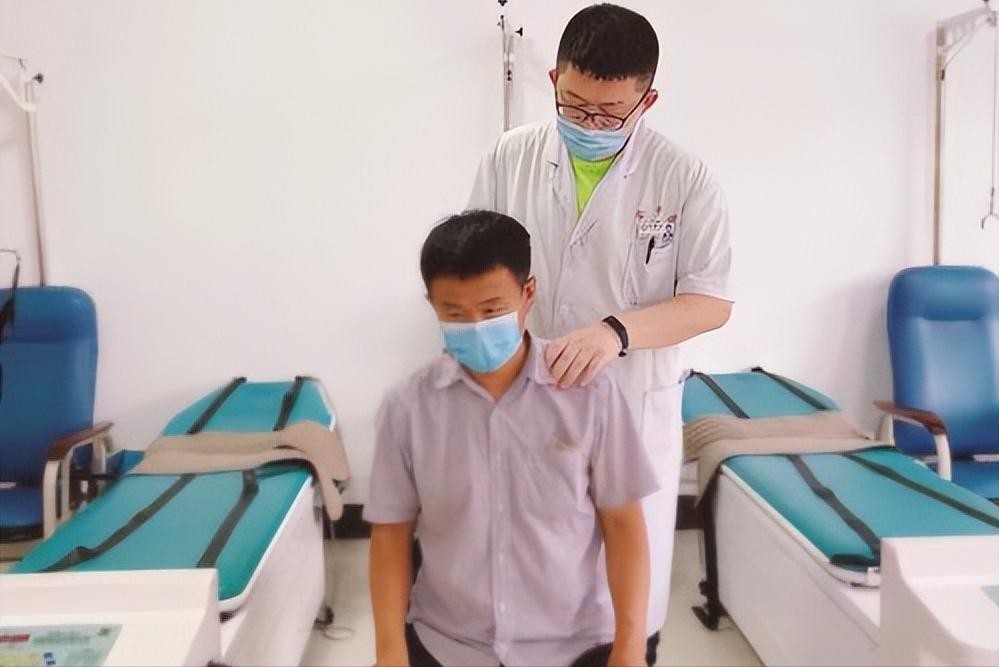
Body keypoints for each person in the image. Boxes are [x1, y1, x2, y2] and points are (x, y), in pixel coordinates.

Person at [468, 4, 734, 659]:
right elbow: (475, 269)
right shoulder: (509, 157)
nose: (589, 124)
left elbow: (709, 302)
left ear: (647, 100)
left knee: (623, 610)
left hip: (628, 408)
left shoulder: (685, 178)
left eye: (610, 113)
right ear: (554, 80)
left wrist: (615, 332)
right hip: (526, 404)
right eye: (574, 106)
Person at [364, 210, 660, 667]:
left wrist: (630, 649)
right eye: (455, 314)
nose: (476, 325)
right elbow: (390, 534)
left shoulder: (590, 394)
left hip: (574, 644)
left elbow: (624, 525)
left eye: (491, 310)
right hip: (449, 641)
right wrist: (389, 653)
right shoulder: (407, 408)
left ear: (528, 294)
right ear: (432, 305)